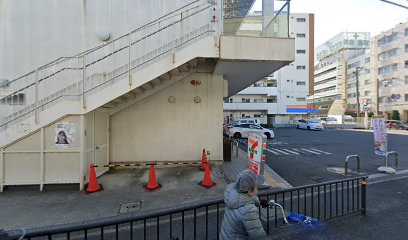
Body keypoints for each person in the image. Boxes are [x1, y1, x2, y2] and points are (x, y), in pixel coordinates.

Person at [220, 170, 269, 240]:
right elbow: (258, 235)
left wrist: (259, 202)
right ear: (249, 191)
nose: (257, 188)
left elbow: (247, 198)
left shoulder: (232, 194)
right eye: (256, 186)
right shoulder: (249, 211)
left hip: (225, 236)